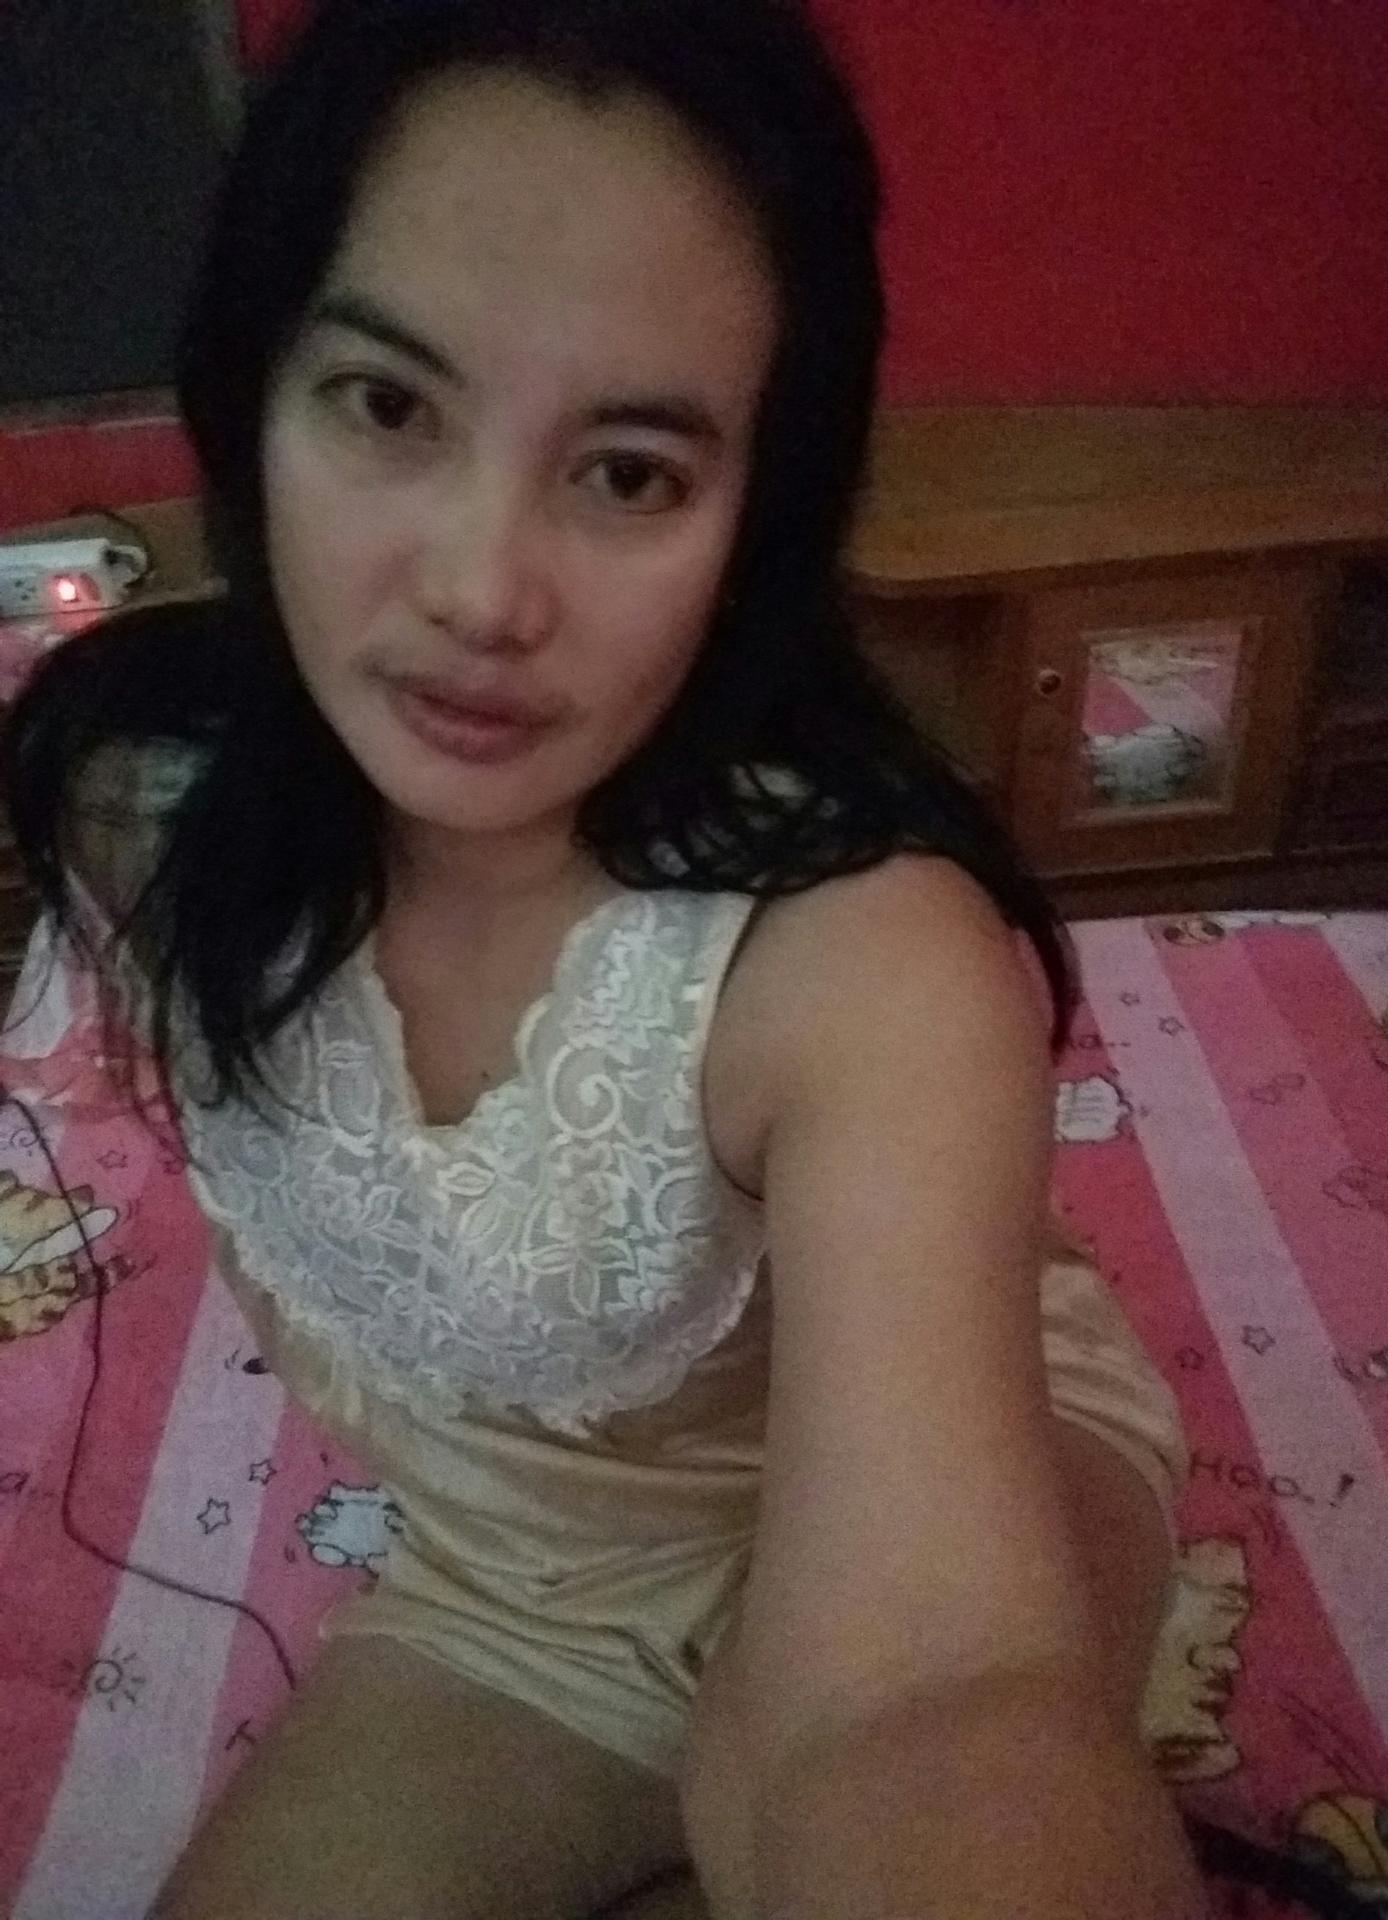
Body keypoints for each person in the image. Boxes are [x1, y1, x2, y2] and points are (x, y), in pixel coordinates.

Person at [1, 2, 1206, 1915]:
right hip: (517, 1585)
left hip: (957, 1469)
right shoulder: (136, 799)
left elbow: (930, 1688)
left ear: (754, 517)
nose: (484, 591)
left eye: (631, 472)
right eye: (388, 405)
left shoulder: (866, 961)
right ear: (252, 388)